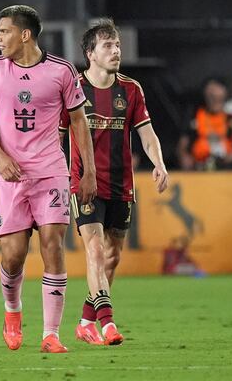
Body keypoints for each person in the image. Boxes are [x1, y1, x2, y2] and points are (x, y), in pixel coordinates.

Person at [0, 5, 97, 353]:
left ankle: (50, 334)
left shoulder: (61, 71)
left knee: (52, 246)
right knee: (13, 256)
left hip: (51, 173)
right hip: (11, 176)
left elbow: (78, 122)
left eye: (4, 31)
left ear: (24, 34)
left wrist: (86, 171)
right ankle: (12, 312)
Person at [59, 18, 169, 346]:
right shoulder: (73, 88)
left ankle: (84, 322)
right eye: (108, 45)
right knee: (94, 249)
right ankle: (108, 323)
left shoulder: (131, 90)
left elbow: (146, 134)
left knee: (112, 257)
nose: (116, 50)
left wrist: (159, 163)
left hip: (122, 184)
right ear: (90, 53)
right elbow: (58, 137)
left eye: (117, 45)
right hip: (85, 184)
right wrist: (59, 174)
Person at [177, 78, 232, 170]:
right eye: (211, 96)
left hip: (229, 166)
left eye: (218, 97)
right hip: (199, 165)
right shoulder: (195, 115)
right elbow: (183, 142)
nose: (214, 99)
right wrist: (183, 155)